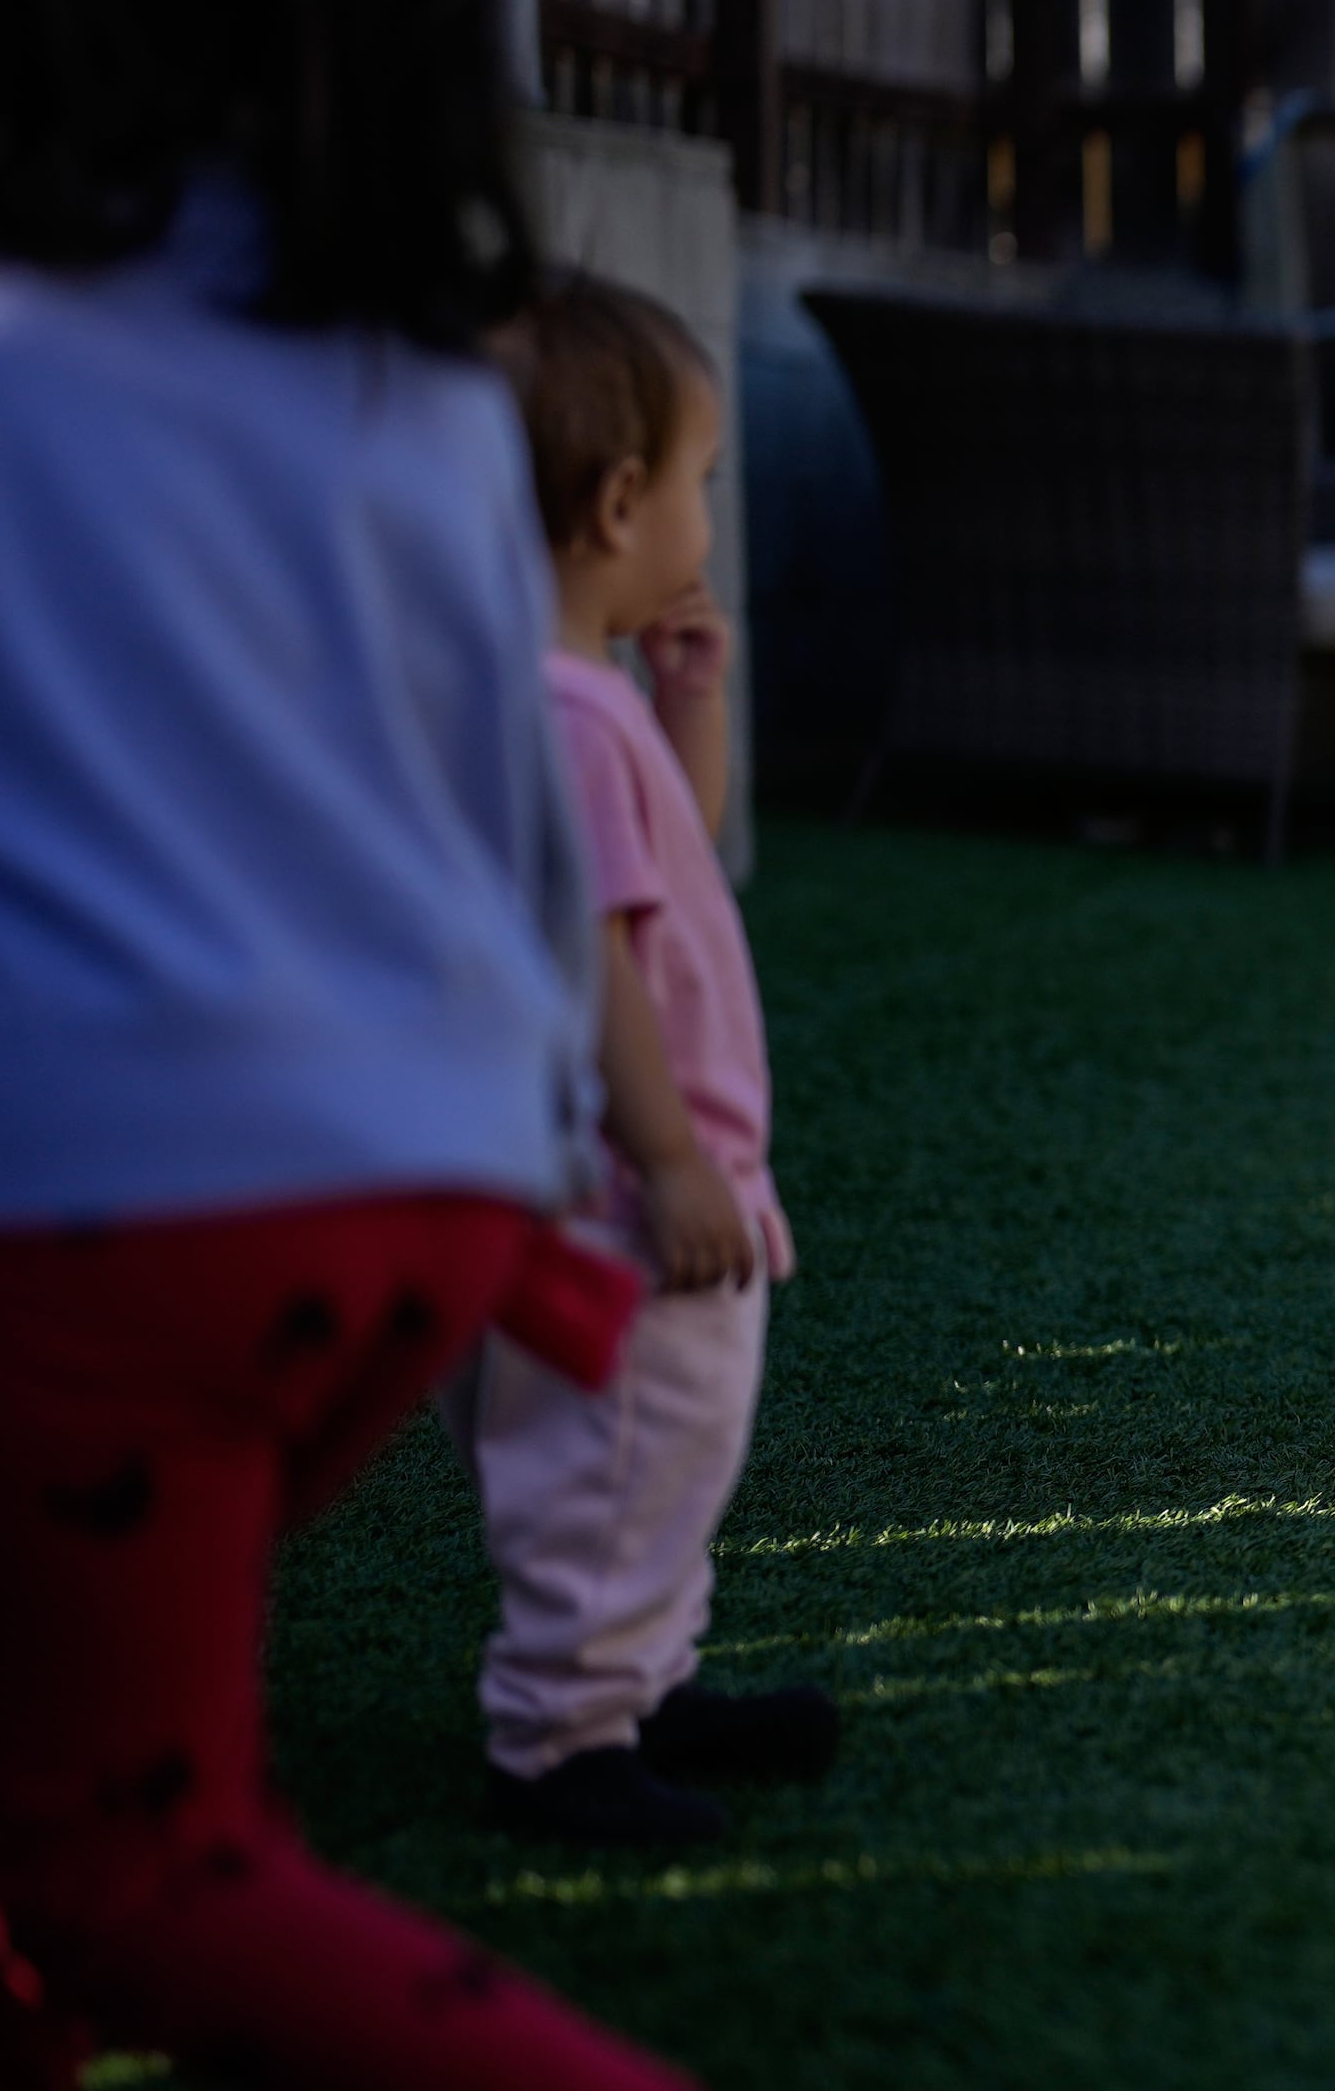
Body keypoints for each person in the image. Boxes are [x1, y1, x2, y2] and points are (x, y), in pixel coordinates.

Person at [0, 0, 693, 2084]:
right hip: (418, 1199)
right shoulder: (404, 369)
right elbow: (525, 815)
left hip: (105, 1210)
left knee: (137, 1866)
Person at [459, 271, 832, 1847]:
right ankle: (563, 1738)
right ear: (619, 505)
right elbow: (598, 952)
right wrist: (673, 1159)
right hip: (626, 1195)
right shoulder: (562, 718)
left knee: (665, 1459)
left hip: (633, 1178)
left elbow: (663, 845)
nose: (702, 520)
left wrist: (693, 706)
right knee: (614, 1461)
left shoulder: (578, 706)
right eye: (699, 487)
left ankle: (642, 1685)